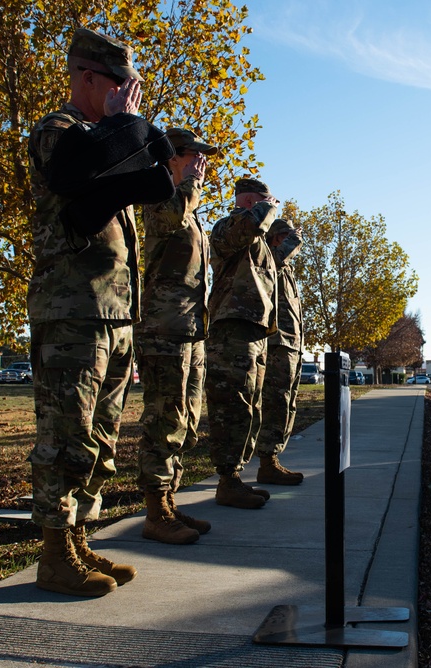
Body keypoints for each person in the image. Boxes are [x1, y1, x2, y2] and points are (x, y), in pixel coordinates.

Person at [26, 28, 150, 597]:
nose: (129, 97)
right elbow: (75, 175)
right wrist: (123, 125)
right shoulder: (59, 131)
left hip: (112, 312)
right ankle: (54, 555)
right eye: (121, 86)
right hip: (72, 309)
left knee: (98, 439)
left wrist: (130, 134)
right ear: (86, 77)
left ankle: (76, 539)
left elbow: (143, 183)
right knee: (66, 435)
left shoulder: (102, 136)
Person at [135, 128, 218, 544]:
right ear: (171, 158)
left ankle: (169, 503)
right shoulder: (159, 194)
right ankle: (154, 512)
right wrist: (189, 185)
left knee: (185, 421)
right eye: (192, 156)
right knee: (164, 419)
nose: (201, 163)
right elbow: (168, 219)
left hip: (190, 328)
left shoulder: (190, 203)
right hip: (163, 328)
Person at [205, 177, 279, 509]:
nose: (274, 209)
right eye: (268, 202)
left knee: (250, 407)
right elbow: (251, 226)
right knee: (232, 406)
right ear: (251, 202)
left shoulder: (256, 238)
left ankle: (236, 477)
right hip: (231, 328)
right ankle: (227, 479)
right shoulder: (229, 227)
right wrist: (268, 208)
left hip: (253, 329)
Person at [255, 218, 305, 485]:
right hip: (277, 344)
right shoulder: (270, 258)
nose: (289, 240)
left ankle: (272, 459)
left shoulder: (286, 269)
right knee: (276, 402)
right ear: (275, 238)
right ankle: (267, 461)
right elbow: (274, 257)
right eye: (283, 236)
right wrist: (293, 239)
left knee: (288, 403)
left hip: (292, 345)